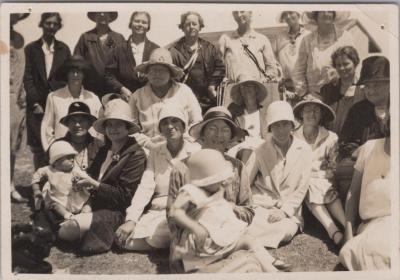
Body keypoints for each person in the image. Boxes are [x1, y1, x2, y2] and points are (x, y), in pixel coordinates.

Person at [167, 106, 254, 273]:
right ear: (202, 133)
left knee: (252, 261)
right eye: (213, 128)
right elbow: (172, 217)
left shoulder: (237, 167)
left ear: (231, 136)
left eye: (225, 130)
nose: (219, 135)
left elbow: (249, 212)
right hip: (193, 244)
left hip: (228, 236)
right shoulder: (182, 168)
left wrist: (225, 209)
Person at [169, 149, 287, 272]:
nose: (223, 182)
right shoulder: (190, 191)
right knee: (246, 243)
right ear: (205, 181)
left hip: (218, 234)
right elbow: (175, 212)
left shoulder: (214, 188)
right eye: (218, 179)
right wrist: (194, 227)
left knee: (249, 239)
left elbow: (223, 188)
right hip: (203, 244)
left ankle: (271, 268)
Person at [56, 99, 146, 255]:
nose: (112, 129)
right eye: (109, 124)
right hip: (97, 205)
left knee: (66, 230)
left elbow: (125, 197)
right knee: (59, 214)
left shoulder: (135, 154)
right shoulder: (105, 149)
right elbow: (93, 182)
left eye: (118, 124)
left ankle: (91, 231)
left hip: (117, 212)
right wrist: (88, 204)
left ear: (127, 127)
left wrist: (94, 185)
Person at [115, 104, 200, 251]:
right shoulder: (156, 151)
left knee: (155, 237)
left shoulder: (196, 151)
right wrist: (131, 219)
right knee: (123, 241)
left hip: (184, 211)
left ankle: (176, 239)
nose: (170, 126)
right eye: (165, 123)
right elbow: (145, 186)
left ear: (184, 126)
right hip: (156, 211)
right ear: (160, 129)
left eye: (175, 121)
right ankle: (177, 241)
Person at [245, 101, 312, 249]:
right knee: (252, 220)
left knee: (286, 231)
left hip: (289, 210)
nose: (281, 130)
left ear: (291, 125)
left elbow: (302, 187)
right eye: (276, 125)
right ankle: (248, 235)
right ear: (270, 127)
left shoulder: (305, 149)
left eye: (285, 124)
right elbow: (246, 180)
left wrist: (284, 212)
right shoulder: (260, 150)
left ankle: (248, 238)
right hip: (262, 205)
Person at [339, 115, 391, 270]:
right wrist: (348, 231)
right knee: (355, 252)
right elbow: (353, 193)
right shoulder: (369, 147)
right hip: (372, 225)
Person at [293, 97, 345, 247]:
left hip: (325, 183)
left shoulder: (331, 137)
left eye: (316, 110)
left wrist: (315, 174)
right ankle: (334, 231)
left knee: (316, 183)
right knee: (308, 183)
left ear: (322, 115)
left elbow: (333, 168)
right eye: (307, 110)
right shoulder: (293, 137)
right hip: (300, 183)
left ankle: (346, 225)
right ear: (301, 114)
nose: (312, 113)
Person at [336, 56, 389, 200]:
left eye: (376, 85)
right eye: (367, 86)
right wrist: (360, 152)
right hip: (364, 162)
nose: (371, 91)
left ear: (390, 85)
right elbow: (345, 143)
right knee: (344, 169)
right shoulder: (358, 110)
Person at [129, 48, 202, 150]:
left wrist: (183, 141)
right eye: (153, 70)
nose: (157, 74)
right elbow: (130, 128)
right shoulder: (137, 95)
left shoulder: (184, 91)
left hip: (182, 146)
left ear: (171, 74)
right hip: (148, 148)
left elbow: (197, 122)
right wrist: (148, 144)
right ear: (147, 73)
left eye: (162, 70)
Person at [24, 12, 71, 169]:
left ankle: (56, 186)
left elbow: (67, 76)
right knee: (39, 148)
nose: (51, 27)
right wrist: (35, 103)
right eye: (48, 23)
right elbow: (28, 78)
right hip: (37, 105)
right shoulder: (31, 49)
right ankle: (39, 187)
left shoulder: (64, 49)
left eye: (55, 24)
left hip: (58, 103)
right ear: (42, 24)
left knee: (59, 144)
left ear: (59, 26)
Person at [40, 55, 102, 152]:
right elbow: (46, 127)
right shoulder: (54, 97)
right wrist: (53, 150)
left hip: (90, 153)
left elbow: (100, 128)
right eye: (72, 71)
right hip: (62, 152)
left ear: (84, 74)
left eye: (79, 71)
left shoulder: (93, 98)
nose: (75, 75)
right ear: (66, 74)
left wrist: (97, 150)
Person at [169, 11, 225, 113]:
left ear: (200, 26)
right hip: (183, 101)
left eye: (194, 24)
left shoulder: (209, 48)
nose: (191, 27)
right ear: (182, 27)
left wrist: (212, 85)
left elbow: (220, 67)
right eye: (187, 24)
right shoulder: (174, 50)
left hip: (207, 101)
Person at [292, 11, 354, 98]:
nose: (326, 13)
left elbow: (355, 65)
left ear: (334, 15)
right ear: (316, 16)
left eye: (329, 11)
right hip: (316, 97)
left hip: (343, 94)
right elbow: (299, 70)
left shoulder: (345, 37)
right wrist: (304, 94)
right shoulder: (307, 40)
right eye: (322, 11)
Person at [31, 141, 91, 230]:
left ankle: (84, 215)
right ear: (56, 161)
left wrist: (81, 181)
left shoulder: (75, 169)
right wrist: (36, 190)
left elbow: (86, 178)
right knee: (55, 205)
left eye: (72, 157)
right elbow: (36, 177)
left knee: (87, 202)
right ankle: (68, 216)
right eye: (68, 158)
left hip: (75, 197)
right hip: (58, 198)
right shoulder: (49, 170)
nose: (72, 160)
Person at [105, 11, 159, 101]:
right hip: (124, 98)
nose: (140, 24)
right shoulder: (118, 49)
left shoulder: (155, 50)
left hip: (150, 99)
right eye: (137, 21)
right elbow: (109, 75)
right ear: (130, 24)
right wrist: (122, 89)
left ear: (148, 26)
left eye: (144, 22)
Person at [74, 12, 125, 98]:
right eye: (99, 13)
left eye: (106, 13)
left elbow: (124, 65)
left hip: (113, 89)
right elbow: (77, 64)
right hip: (89, 89)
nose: (102, 15)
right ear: (94, 16)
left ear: (110, 17)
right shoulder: (85, 37)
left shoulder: (119, 38)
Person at [218, 11, 279, 83]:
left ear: (250, 13)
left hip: (257, 90)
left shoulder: (262, 39)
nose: (239, 15)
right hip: (232, 90)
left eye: (242, 11)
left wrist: (264, 80)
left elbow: (272, 69)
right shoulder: (225, 39)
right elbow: (218, 67)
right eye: (235, 12)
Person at [320, 46, 363, 134]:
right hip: (331, 140)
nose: (342, 68)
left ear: (355, 63)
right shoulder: (328, 90)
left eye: (346, 64)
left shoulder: (363, 90)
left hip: (355, 141)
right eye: (338, 65)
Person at [10, 13, 30, 202]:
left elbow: (20, 71)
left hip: (12, 98)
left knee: (12, 144)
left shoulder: (17, 40)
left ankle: (9, 185)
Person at [227, 73, 269, 152]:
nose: (246, 89)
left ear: (255, 89)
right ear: (240, 91)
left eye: (249, 86)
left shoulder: (266, 111)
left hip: (263, 147)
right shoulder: (233, 110)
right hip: (241, 148)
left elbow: (270, 136)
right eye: (243, 87)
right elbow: (229, 134)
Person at [57, 101, 103, 171]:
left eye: (82, 120)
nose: (77, 125)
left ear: (90, 124)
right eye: (73, 120)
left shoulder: (100, 146)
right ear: (67, 123)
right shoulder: (57, 146)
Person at [274, 11, 310, 97]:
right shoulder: (279, 37)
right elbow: (274, 60)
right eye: (285, 15)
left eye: (291, 13)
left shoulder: (308, 35)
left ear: (298, 14)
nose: (288, 16)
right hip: (286, 88)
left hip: (306, 86)